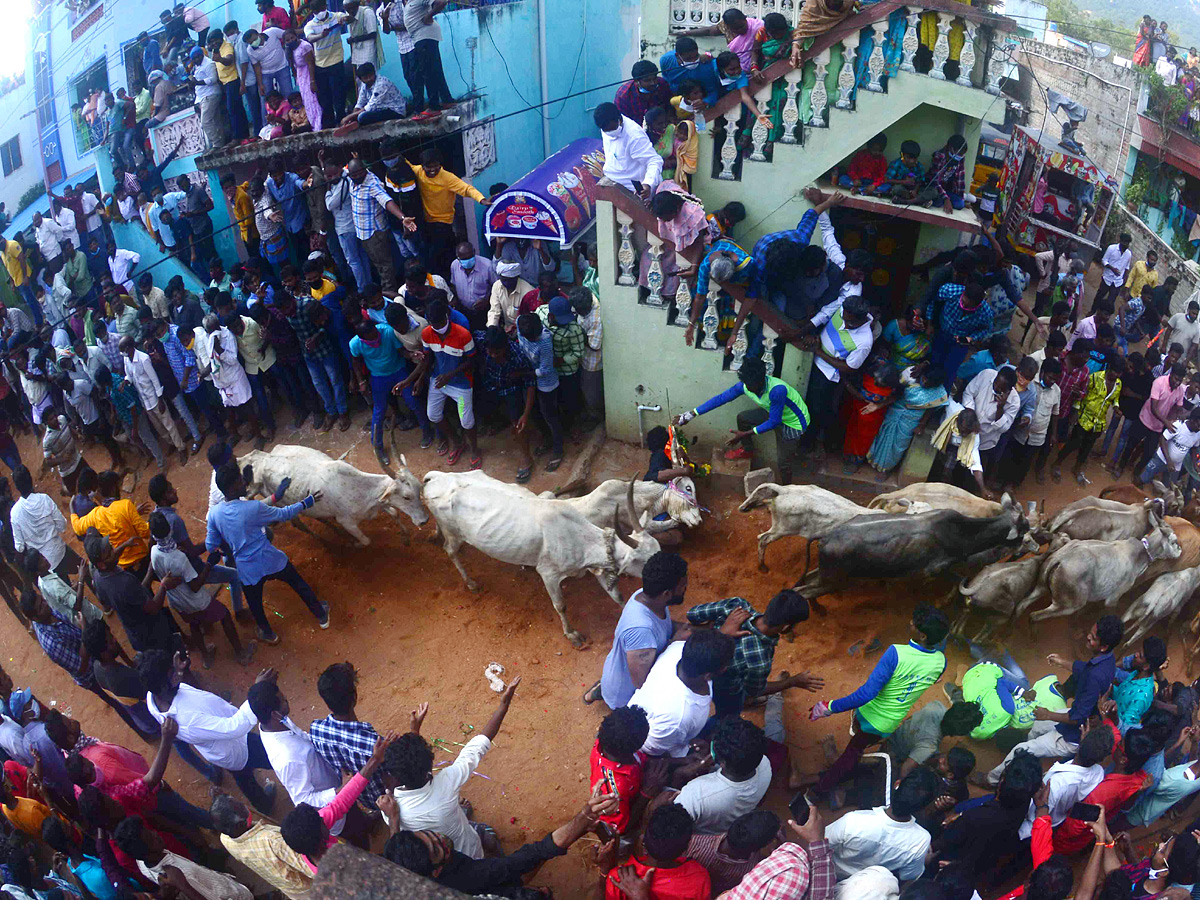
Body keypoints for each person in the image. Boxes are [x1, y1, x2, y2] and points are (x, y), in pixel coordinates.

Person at [808, 605, 949, 796]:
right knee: (857, 747)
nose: (910, 623)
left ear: (923, 635)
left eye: (915, 624)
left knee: (851, 753)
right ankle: (828, 780)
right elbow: (934, 676)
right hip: (886, 724)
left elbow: (866, 694)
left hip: (868, 712)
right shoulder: (941, 661)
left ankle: (818, 790)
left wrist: (828, 707)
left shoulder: (896, 653)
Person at [385, 787, 620, 896]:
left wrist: (394, 821)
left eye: (430, 833)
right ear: (435, 873)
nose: (441, 837)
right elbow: (523, 859)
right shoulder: (466, 878)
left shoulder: (397, 871)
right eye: (437, 847)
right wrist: (581, 821)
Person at [379, 678, 520, 857]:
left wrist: (414, 731)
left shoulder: (391, 809)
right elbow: (476, 748)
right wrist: (503, 705)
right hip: (471, 852)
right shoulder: (447, 783)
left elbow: (408, 769)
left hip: (443, 861)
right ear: (429, 767)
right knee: (484, 834)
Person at [986, 615, 1121, 784]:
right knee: (1037, 727)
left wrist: (1047, 714)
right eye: (1091, 633)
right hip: (1078, 717)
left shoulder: (1095, 677)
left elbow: (1076, 717)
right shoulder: (1107, 660)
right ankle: (1028, 755)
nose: (1088, 637)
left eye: (1093, 638)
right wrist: (1062, 662)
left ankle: (991, 780)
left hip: (1074, 733)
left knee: (1022, 748)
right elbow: (1084, 669)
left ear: (1104, 646)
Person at [141, 648, 279, 814]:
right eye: (172, 674)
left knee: (242, 776)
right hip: (237, 743)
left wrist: (176, 670)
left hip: (222, 750)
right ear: (162, 685)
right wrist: (258, 691)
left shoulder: (153, 698)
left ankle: (263, 804)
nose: (178, 675)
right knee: (276, 756)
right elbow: (234, 727)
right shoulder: (188, 721)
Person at [205, 460, 329, 645]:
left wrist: (226, 547)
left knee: (255, 605)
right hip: (270, 559)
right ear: (231, 489)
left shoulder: (214, 514)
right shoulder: (253, 508)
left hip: (248, 569)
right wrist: (306, 502)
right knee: (297, 582)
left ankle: (269, 634)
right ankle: (321, 615)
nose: (244, 482)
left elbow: (210, 545)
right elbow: (284, 514)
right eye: (239, 480)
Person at [248, 679, 368, 846]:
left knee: (357, 816)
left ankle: (365, 821)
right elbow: (303, 799)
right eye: (283, 700)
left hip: (334, 781)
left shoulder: (276, 723)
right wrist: (340, 790)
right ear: (275, 714)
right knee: (357, 835)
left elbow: (302, 737)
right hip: (335, 808)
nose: (286, 700)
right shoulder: (287, 757)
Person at [685, 590, 822, 717]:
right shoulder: (759, 660)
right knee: (732, 709)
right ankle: (744, 706)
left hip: (691, 658)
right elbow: (754, 692)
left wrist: (719, 630)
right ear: (786, 626)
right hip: (724, 691)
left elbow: (692, 614)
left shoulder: (737, 605)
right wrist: (792, 681)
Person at [675, 356, 808, 483]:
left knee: (783, 462)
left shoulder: (777, 390)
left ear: (761, 380)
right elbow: (721, 398)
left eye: (750, 384)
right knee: (743, 418)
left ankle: (787, 489)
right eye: (745, 382)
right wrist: (692, 414)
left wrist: (745, 434)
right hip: (774, 412)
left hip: (793, 423)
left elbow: (774, 422)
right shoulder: (745, 385)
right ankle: (748, 450)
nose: (747, 387)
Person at [627, 630, 735, 758]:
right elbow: (651, 751)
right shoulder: (678, 717)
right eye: (725, 666)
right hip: (658, 745)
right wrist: (688, 754)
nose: (727, 667)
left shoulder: (677, 649)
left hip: (668, 729)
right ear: (707, 675)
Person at [824, 766, 940, 883]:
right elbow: (908, 878)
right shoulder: (921, 841)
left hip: (830, 875)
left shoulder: (854, 820)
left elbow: (820, 843)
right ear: (924, 806)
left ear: (897, 784)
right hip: (865, 888)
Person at [113, 813, 254, 899]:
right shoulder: (182, 874)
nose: (156, 834)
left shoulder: (141, 862)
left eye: (150, 831)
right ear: (146, 851)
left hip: (221, 883)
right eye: (150, 837)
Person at [211, 791, 314, 898]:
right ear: (239, 825)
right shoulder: (273, 841)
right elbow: (311, 868)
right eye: (241, 807)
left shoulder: (225, 839)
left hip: (291, 889)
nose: (245, 806)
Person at [598, 803, 712, 899]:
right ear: (686, 848)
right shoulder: (699, 878)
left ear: (643, 840)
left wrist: (604, 872)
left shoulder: (619, 878)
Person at [406, 149, 488, 277]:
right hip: (425, 222)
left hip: (443, 223)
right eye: (429, 167)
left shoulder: (447, 177)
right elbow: (406, 165)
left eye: (436, 166)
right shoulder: (418, 171)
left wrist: (481, 199)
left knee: (443, 257)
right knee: (427, 256)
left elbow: (466, 188)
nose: (433, 169)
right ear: (422, 167)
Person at [70, 468, 152, 578]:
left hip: (124, 566)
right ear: (113, 489)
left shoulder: (95, 515)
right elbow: (145, 532)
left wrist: (72, 510)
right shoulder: (125, 506)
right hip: (142, 557)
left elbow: (77, 527)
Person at [1116, 362, 1187, 479]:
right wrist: (1167, 422)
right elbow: (1153, 408)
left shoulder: (1179, 390)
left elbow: (1178, 407)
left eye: (1180, 380)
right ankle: (1120, 467)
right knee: (1131, 445)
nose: (1177, 382)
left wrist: (1180, 414)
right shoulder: (1159, 382)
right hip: (1145, 419)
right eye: (1176, 379)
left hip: (1158, 427)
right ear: (1171, 374)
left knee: (1148, 453)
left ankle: (1136, 474)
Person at [11, 465, 79, 582]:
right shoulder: (44, 499)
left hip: (43, 565)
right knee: (84, 569)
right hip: (59, 551)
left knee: (66, 590)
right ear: (31, 480)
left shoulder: (15, 513)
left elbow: (20, 547)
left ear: (16, 487)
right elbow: (62, 525)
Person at [595, 102, 663, 197]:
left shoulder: (634, 136)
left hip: (634, 191)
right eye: (606, 130)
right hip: (612, 183)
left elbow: (654, 160)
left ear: (619, 120)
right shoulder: (606, 127)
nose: (609, 133)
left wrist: (648, 184)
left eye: (612, 129)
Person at [403, 0, 455, 117]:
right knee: (435, 69)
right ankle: (447, 99)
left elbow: (441, 2)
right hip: (421, 37)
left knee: (428, 72)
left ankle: (434, 106)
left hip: (425, 35)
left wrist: (428, 16)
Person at [337, 62, 406, 133]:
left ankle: (356, 122)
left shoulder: (381, 84)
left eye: (370, 76)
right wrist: (351, 119)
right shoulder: (364, 85)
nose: (369, 79)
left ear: (374, 73)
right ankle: (353, 123)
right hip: (380, 109)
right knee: (352, 110)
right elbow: (360, 103)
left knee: (362, 117)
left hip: (395, 111)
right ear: (361, 79)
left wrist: (349, 117)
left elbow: (370, 107)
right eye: (365, 78)